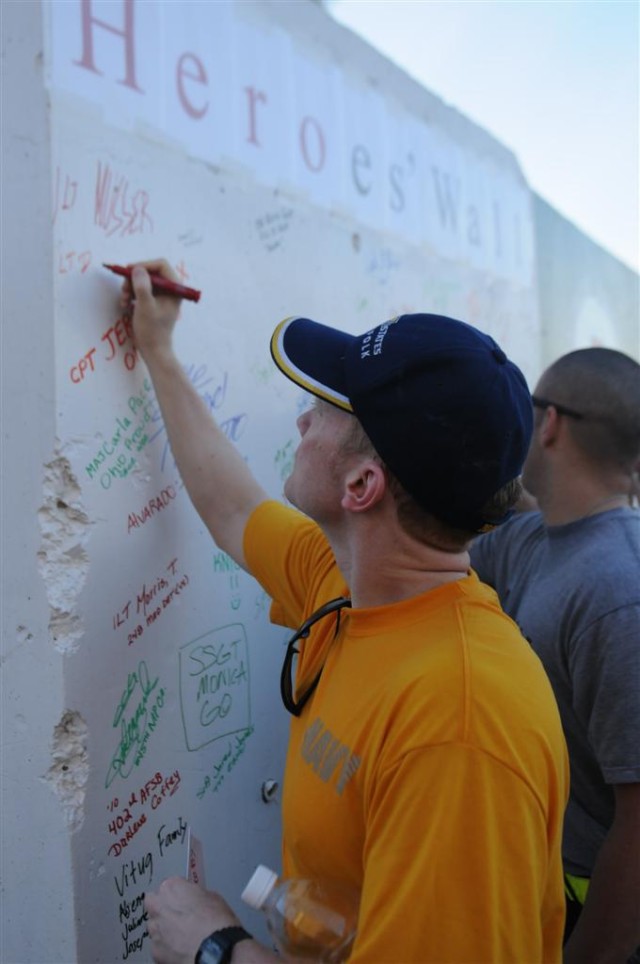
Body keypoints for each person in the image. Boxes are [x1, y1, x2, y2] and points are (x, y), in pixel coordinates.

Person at [122, 260, 569, 964]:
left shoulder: (460, 718)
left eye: (327, 409)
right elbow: (234, 507)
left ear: (363, 485)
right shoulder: (350, 586)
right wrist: (158, 350)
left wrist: (213, 948)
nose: (302, 417)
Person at [470, 347, 640, 964]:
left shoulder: (619, 592)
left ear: (549, 424)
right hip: (546, 891)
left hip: (589, 916)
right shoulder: (539, 539)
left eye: (527, 409)